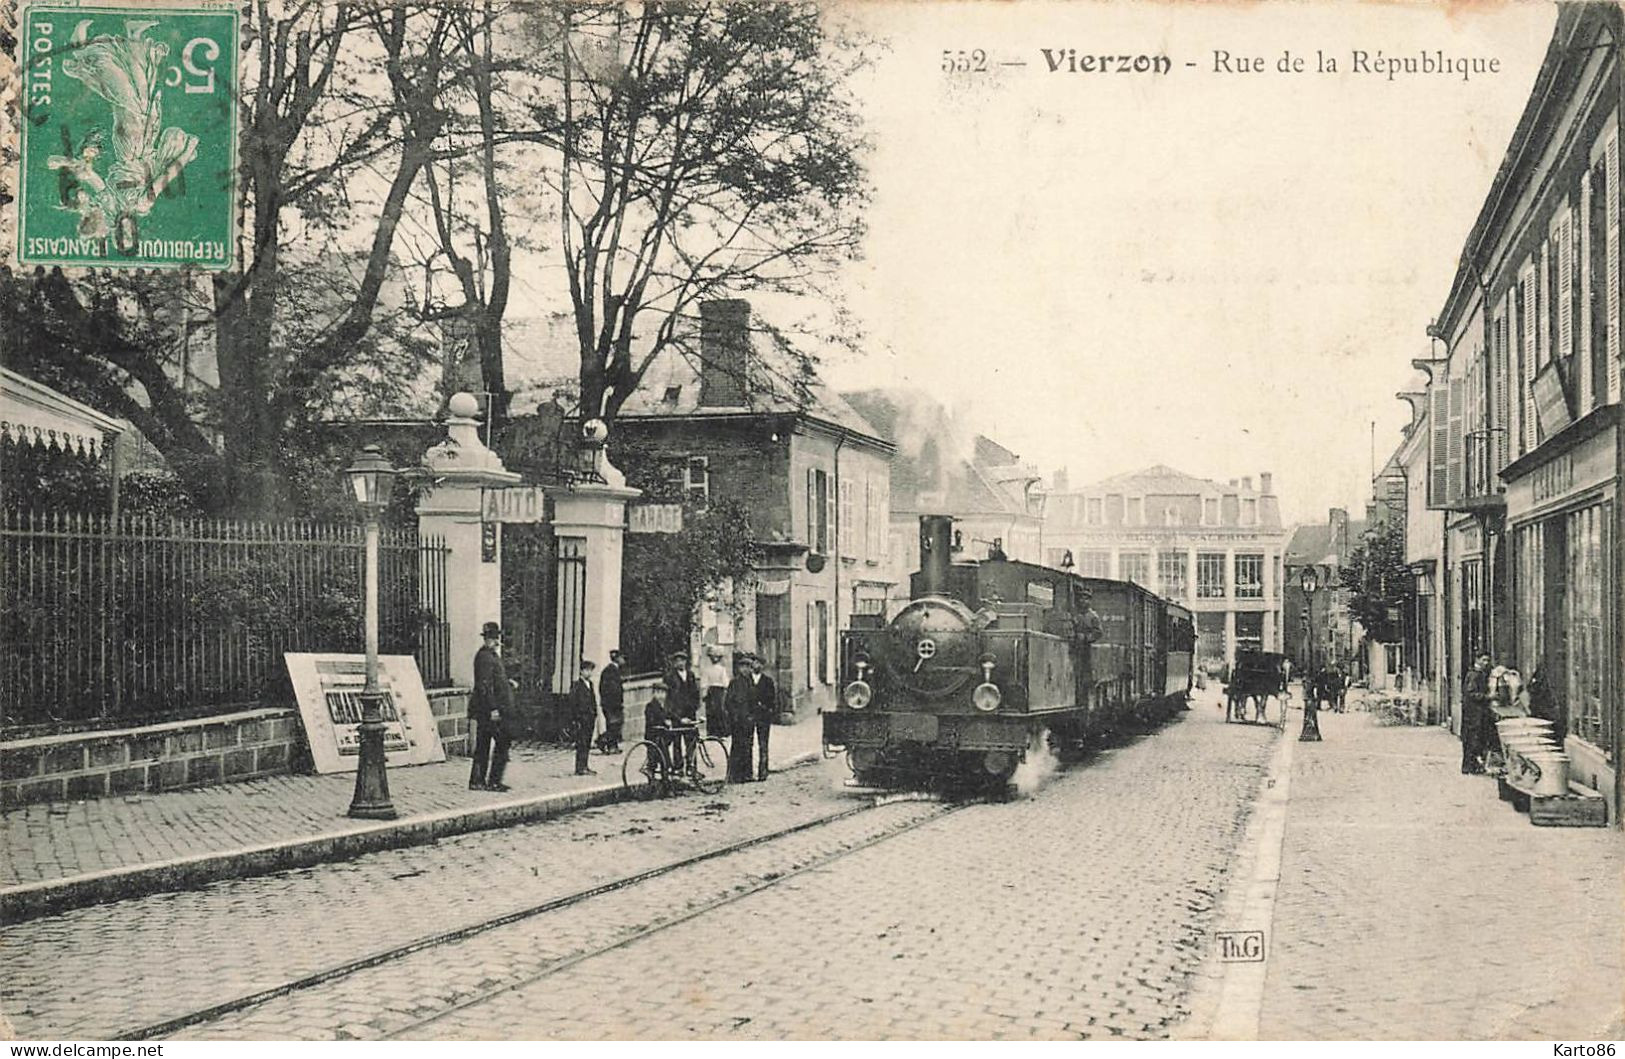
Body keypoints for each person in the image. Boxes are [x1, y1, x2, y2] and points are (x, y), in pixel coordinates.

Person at [468, 622, 513, 792]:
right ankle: (492, 781)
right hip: (488, 710)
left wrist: (508, 683)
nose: (495, 641)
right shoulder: (485, 657)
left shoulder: (491, 655)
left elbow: (494, 680)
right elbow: (484, 685)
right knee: (502, 741)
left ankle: (478, 781)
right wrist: (493, 708)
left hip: (488, 709)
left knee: (484, 744)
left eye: (496, 637)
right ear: (486, 639)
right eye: (492, 638)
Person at [663, 651, 701, 773]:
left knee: (691, 740)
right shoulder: (669, 677)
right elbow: (668, 698)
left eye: (682, 660)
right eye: (677, 660)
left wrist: (695, 707)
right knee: (677, 741)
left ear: (686, 662)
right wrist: (675, 716)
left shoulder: (690, 675)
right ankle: (678, 767)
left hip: (690, 713)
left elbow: (695, 693)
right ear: (674, 663)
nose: (680, 663)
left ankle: (692, 768)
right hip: (677, 714)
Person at [724, 657, 756, 783]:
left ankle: (747, 774)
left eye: (748, 667)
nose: (745, 669)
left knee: (748, 746)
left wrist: (752, 715)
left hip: (748, 720)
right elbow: (728, 702)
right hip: (738, 721)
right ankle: (734, 775)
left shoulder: (751, 682)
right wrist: (735, 716)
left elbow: (753, 701)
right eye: (743, 667)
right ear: (739, 668)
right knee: (737, 746)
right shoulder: (734, 682)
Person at [1460, 652, 1493, 774]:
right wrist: (1488, 697)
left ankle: (1470, 766)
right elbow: (1471, 693)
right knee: (1472, 740)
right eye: (1484, 660)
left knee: (1473, 740)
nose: (1486, 663)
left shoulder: (1477, 673)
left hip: (1473, 713)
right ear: (1477, 660)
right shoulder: (1475, 674)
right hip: (1474, 713)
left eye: (1488, 660)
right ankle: (1470, 766)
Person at [749, 653, 779, 781]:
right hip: (749, 716)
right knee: (748, 744)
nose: (757, 665)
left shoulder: (767, 681)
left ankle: (763, 772)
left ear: (762, 666)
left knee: (763, 744)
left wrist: (767, 710)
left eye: (759, 663)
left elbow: (772, 699)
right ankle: (748, 772)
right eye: (755, 663)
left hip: (763, 717)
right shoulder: (747, 680)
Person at [568, 660, 599, 776]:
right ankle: (580, 767)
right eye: (587, 670)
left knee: (587, 743)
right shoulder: (577, 685)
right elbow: (573, 703)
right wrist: (576, 719)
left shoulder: (590, 684)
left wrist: (594, 713)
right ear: (582, 671)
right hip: (582, 719)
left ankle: (585, 765)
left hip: (589, 719)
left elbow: (593, 700)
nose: (589, 672)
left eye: (591, 670)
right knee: (582, 743)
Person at [595, 649, 625, 754]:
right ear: (617, 659)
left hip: (613, 704)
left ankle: (612, 745)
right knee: (613, 725)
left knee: (615, 725)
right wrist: (613, 703)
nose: (623, 660)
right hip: (611, 704)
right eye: (622, 658)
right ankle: (602, 741)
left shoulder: (614, 670)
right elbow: (608, 689)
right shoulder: (610, 671)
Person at [700, 648, 730, 739]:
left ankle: (721, 733)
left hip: (719, 692)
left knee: (720, 711)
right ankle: (711, 733)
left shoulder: (722, 669)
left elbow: (725, 683)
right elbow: (704, 683)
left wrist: (724, 691)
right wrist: (704, 693)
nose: (714, 659)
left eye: (716, 657)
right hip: (711, 691)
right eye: (712, 657)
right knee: (710, 712)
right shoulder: (707, 669)